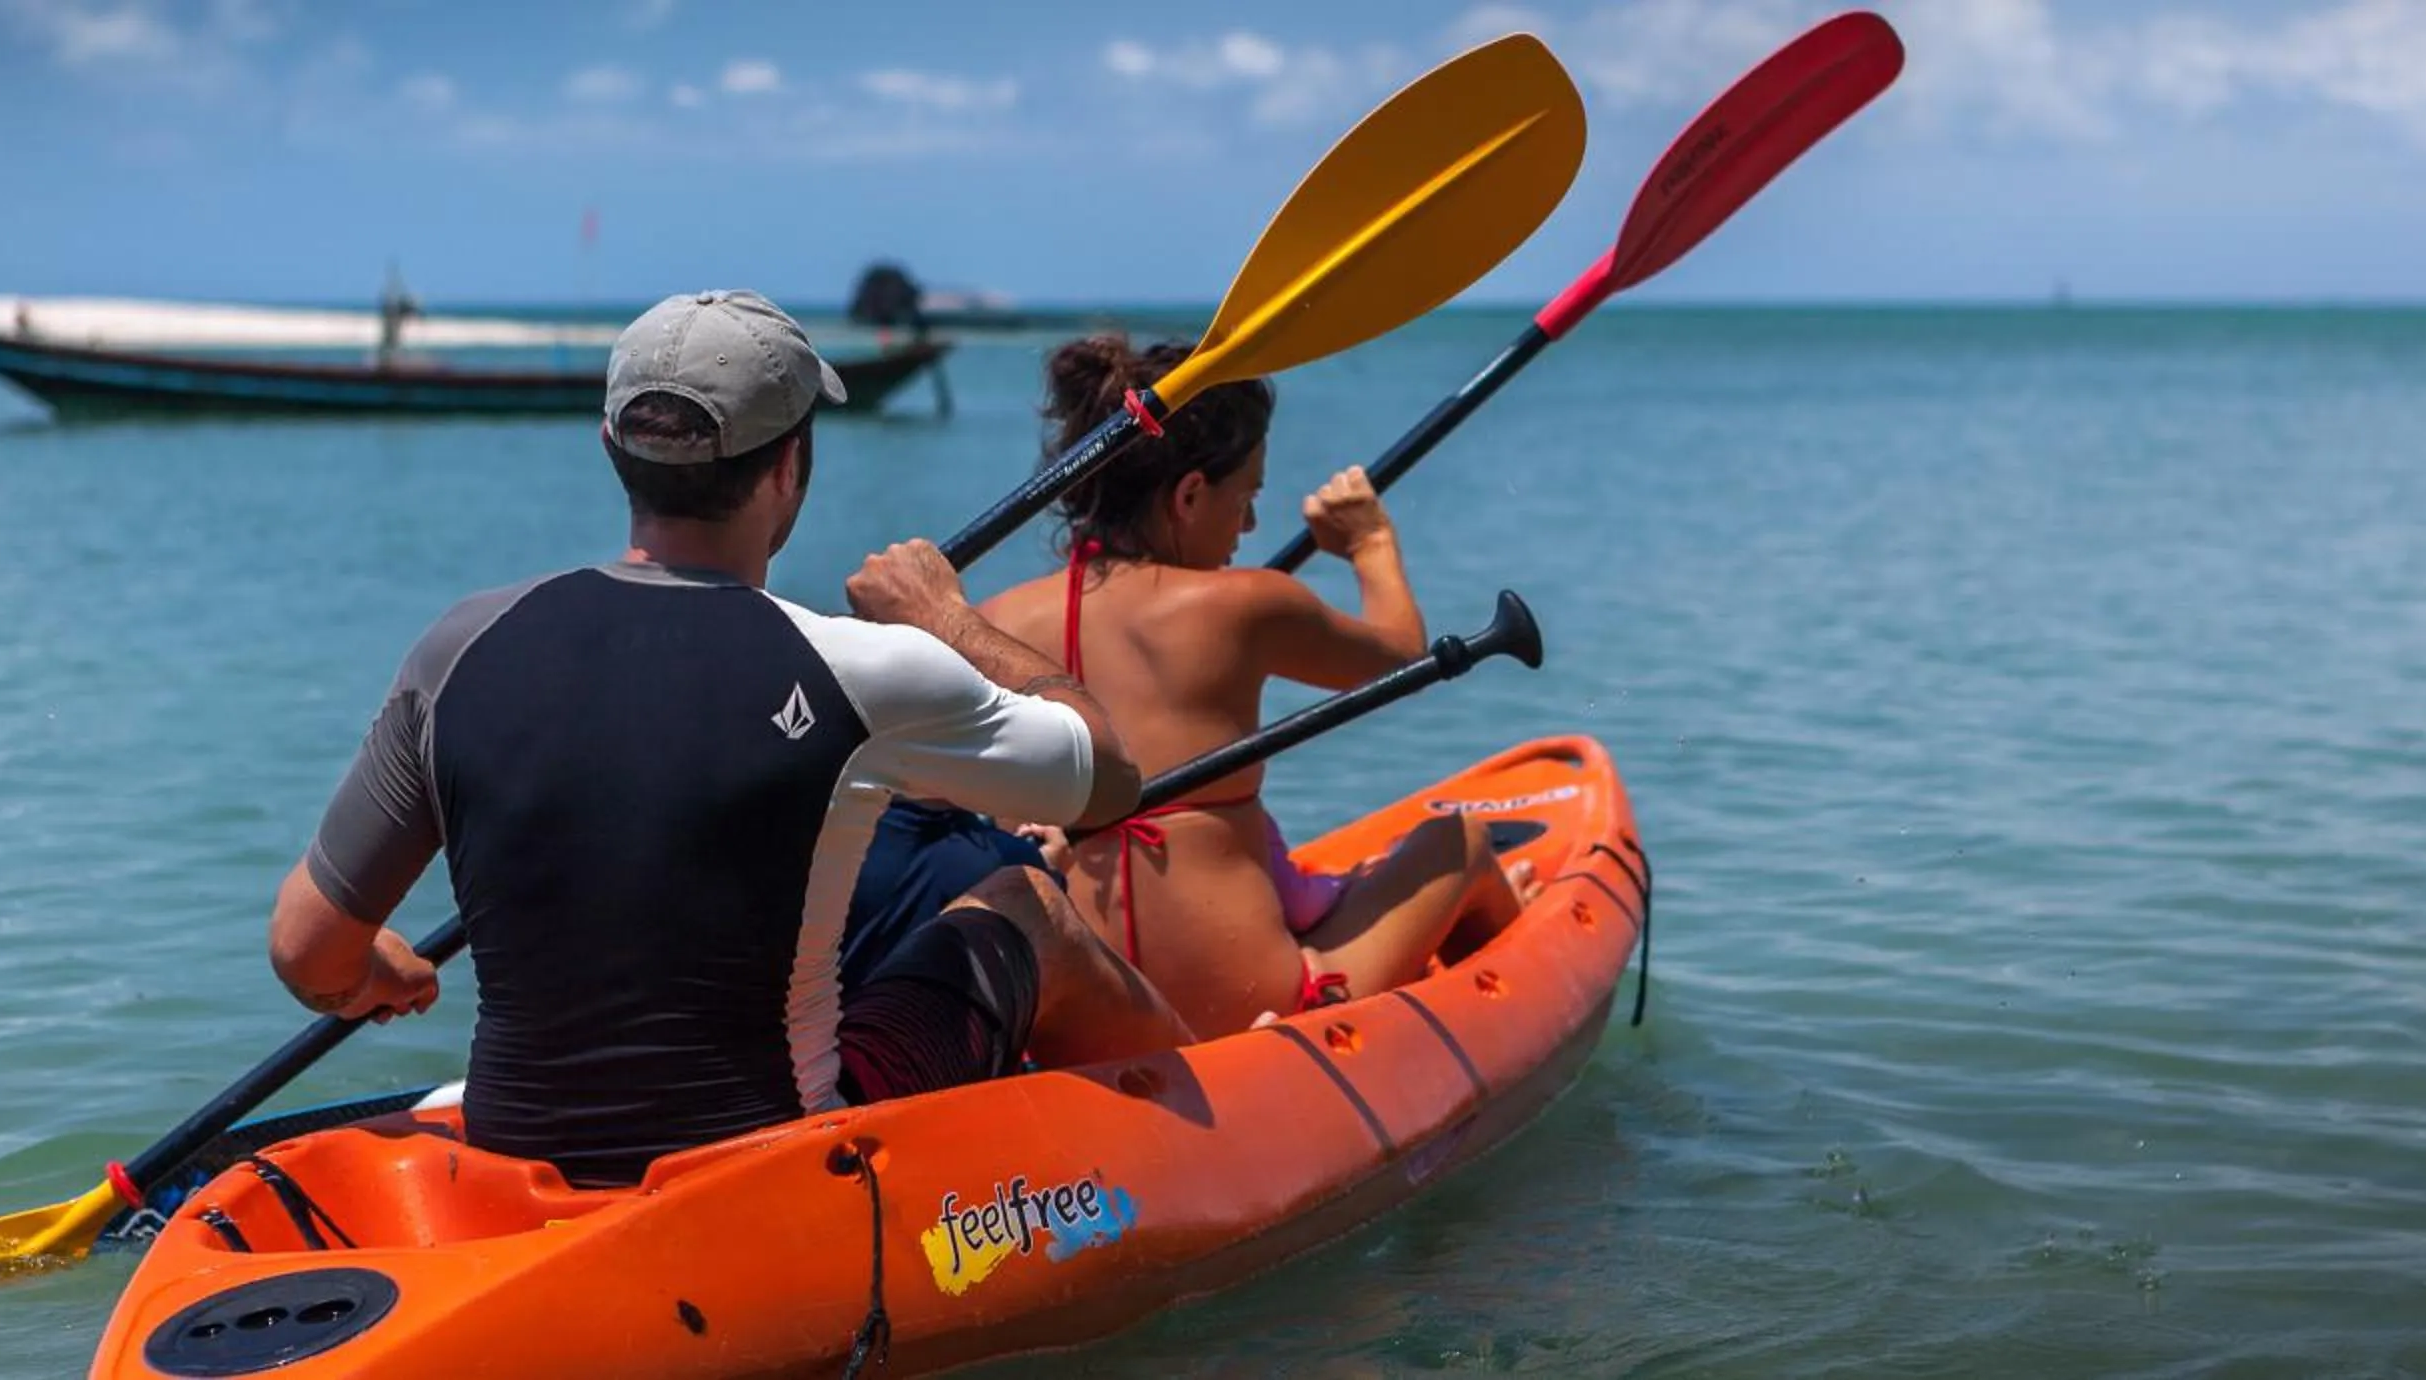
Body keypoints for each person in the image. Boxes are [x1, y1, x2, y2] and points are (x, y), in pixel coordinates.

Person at [263, 290, 1189, 1189]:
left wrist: (373, 965)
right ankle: (1208, 1137)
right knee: (1028, 902)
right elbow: (1108, 777)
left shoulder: (457, 646)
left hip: (518, 1163)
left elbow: (308, 954)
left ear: (611, 450)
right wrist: (949, 620)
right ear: (791, 465)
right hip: (769, 1169)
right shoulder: (861, 669)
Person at [969, 334, 1533, 1039]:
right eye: (1248, 495)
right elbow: (1401, 660)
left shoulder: (991, 624)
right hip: (1255, 1009)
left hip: (1087, 1023)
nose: (1254, 524)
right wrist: (1369, 545)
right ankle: (1519, 1006)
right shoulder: (1243, 604)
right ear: (1190, 494)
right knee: (1460, 843)